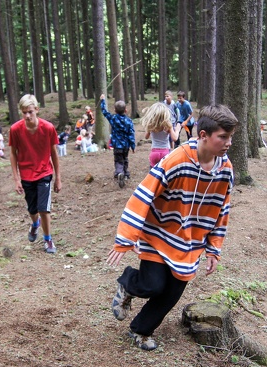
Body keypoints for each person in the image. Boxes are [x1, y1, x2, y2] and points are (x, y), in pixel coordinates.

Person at [106, 105, 238, 351]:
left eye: (230, 136)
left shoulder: (225, 170)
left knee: (171, 293)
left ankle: (140, 330)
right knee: (152, 285)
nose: (229, 143)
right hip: (158, 234)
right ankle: (128, 283)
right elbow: (143, 194)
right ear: (203, 135)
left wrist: (214, 249)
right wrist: (126, 237)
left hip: (190, 242)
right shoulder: (177, 159)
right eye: (223, 137)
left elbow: (222, 210)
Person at [9, 94, 62, 254]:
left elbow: (54, 153)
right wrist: (16, 179)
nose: (27, 116)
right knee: (33, 210)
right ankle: (34, 224)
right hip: (26, 174)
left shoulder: (48, 128)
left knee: (43, 209)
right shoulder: (15, 129)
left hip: (44, 172)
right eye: (24, 112)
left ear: (37, 110)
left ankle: (48, 239)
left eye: (30, 112)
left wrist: (58, 178)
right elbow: (13, 153)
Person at [100, 94, 136, 180]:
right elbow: (131, 134)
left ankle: (119, 172)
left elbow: (104, 112)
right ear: (126, 110)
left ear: (115, 110)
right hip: (126, 145)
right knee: (125, 158)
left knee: (118, 160)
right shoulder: (129, 121)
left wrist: (102, 100)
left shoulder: (113, 118)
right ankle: (125, 174)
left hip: (117, 145)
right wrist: (133, 146)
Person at [142, 102, 179, 169]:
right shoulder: (167, 125)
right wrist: (177, 130)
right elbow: (175, 138)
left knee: (153, 172)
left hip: (154, 153)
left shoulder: (151, 125)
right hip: (165, 152)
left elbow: (146, 137)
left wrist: (148, 129)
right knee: (165, 171)